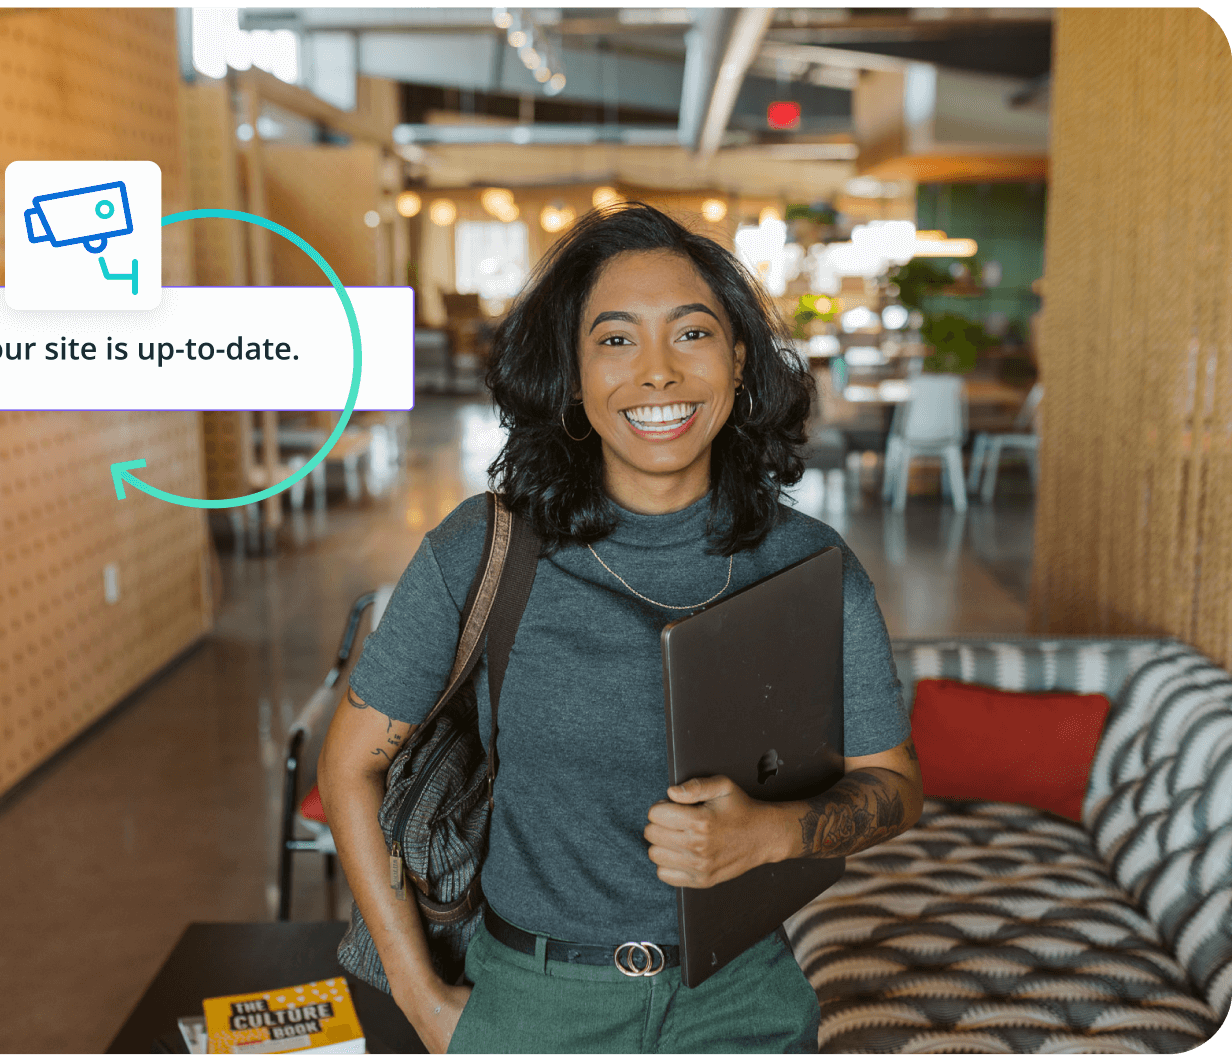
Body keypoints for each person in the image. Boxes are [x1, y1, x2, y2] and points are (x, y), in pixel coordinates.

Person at [319, 202, 922, 1054]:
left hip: (740, 999)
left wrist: (771, 832)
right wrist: (422, 1000)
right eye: (613, 339)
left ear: (738, 360)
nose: (657, 373)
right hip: (533, 1001)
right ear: (570, 374)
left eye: (690, 334)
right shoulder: (483, 549)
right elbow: (349, 765)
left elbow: (892, 784)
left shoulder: (809, 566)